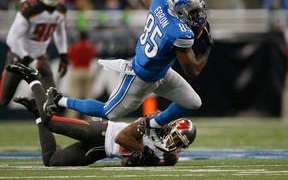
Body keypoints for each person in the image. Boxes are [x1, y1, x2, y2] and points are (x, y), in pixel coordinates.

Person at [44, 0, 212, 152]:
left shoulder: (162, 1)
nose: (198, 16)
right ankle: (59, 100)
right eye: (193, 12)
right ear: (181, 11)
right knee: (108, 112)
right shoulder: (179, 33)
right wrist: (207, 48)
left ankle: (151, 125)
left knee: (192, 102)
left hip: (160, 72)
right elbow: (193, 71)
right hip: (140, 76)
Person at [6, 62, 197, 167]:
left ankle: (36, 111)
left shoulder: (170, 158)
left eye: (180, 144)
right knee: (51, 123)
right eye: (176, 138)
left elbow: (126, 159)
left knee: (51, 161)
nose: (175, 144)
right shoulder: (155, 121)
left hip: (102, 151)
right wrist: (141, 150)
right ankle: (33, 79)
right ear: (171, 127)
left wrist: (133, 161)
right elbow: (122, 138)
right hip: (102, 132)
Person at [0, 0, 69, 106]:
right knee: (3, 99)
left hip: (40, 56)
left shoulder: (61, 7)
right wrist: (24, 56)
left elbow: (60, 31)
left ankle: (47, 124)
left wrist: (63, 55)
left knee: (52, 98)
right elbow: (12, 37)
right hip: (19, 54)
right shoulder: (31, 7)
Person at [66, 31, 96, 118]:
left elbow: (69, 56)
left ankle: (72, 117)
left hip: (77, 71)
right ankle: (91, 117)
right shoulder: (90, 46)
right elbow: (93, 55)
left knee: (74, 95)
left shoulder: (74, 46)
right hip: (87, 71)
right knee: (89, 95)